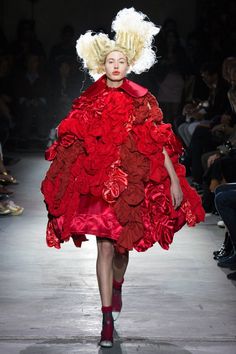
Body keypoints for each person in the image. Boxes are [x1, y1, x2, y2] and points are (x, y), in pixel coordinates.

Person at [41, 8, 205, 348]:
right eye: (110, 60)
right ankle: (104, 318)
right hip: (99, 183)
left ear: (129, 63)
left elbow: (157, 142)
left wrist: (174, 180)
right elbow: (74, 140)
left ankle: (117, 288)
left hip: (130, 183)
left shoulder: (142, 99)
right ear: (103, 64)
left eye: (121, 60)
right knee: (103, 246)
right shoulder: (90, 98)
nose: (115, 65)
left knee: (120, 250)